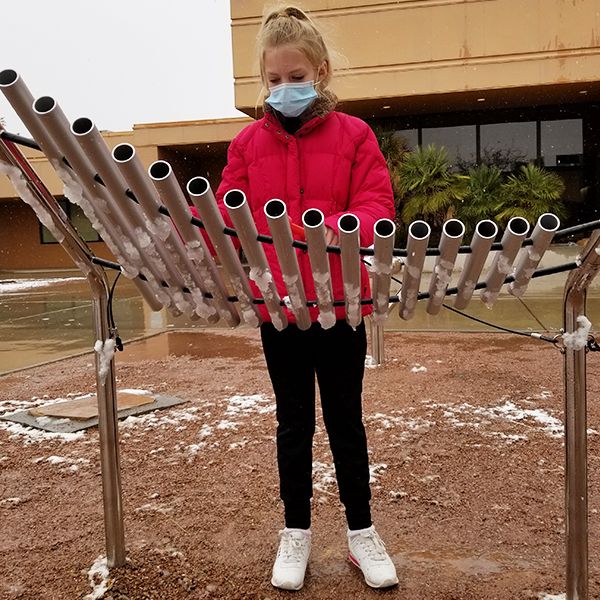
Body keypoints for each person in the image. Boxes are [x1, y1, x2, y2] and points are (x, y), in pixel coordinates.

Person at [214, 4, 397, 592]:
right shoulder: (246, 143)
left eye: (296, 77)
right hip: (280, 310)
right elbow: (228, 211)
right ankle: (295, 532)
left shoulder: (355, 135)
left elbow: (376, 210)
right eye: (274, 80)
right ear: (262, 80)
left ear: (319, 72)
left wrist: (319, 233)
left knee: (346, 421)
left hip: (341, 303)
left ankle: (361, 533)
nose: (285, 89)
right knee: (292, 422)